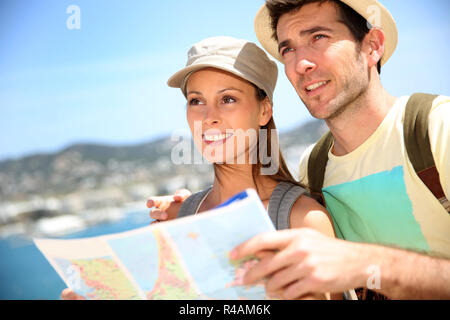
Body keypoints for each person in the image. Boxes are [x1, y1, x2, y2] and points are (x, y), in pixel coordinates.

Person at [150, 0, 450, 300]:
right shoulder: (314, 169)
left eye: (318, 37)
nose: (300, 63)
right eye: (288, 49)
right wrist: (195, 209)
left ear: (372, 46)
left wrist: (364, 264)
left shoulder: (438, 128)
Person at [63, 36, 345, 300]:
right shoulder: (178, 218)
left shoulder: (302, 220)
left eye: (228, 99)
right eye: (196, 101)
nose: (209, 117)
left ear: (264, 110)